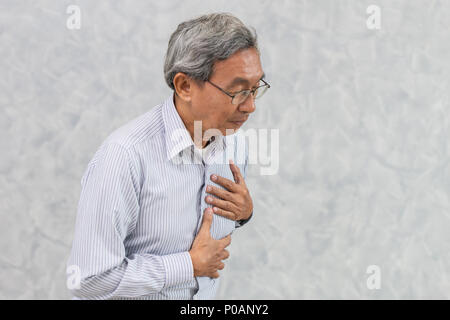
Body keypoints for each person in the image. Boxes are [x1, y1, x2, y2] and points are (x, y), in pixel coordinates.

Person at [66, 12, 270, 300]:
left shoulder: (235, 143)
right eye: (237, 91)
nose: (250, 106)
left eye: (255, 88)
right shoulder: (123, 157)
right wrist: (188, 265)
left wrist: (244, 214)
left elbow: (202, 226)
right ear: (184, 86)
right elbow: (88, 279)